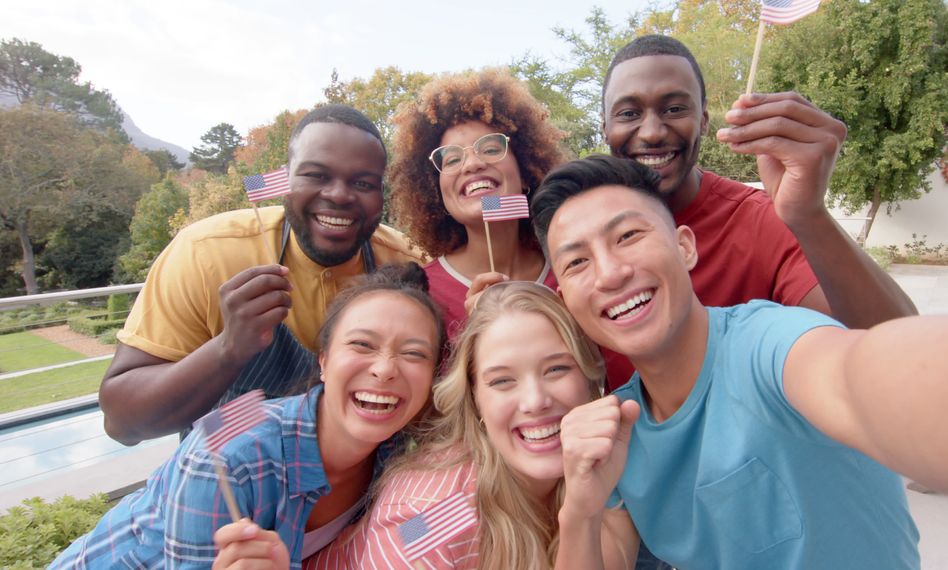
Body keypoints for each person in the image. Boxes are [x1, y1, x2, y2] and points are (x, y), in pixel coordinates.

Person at [529, 155, 948, 570]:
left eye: (628, 236)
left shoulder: (769, 345)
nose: (608, 273)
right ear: (565, 298)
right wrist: (579, 507)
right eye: (577, 262)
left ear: (686, 247)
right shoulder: (617, 432)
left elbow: (858, 380)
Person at [51, 264, 446, 569]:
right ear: (323, 361)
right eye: (362, 344)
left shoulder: (399, 459)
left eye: (414, 353)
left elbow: (386, 540)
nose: (385, 369)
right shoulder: (228, 459)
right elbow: (207, 444)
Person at [214, 282, 623, 570]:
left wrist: (581, 514)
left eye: (556, 369)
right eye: (502, 380)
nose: (535, 401)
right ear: (474, 398)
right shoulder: (432, 514)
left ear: (591, 379)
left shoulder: (614, 460)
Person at [598, 35, 916, 388]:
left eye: (674, 109)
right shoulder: (578, 240)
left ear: (703, 119)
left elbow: (893, 348)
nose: (653, 132)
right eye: (629, 113)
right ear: (605, 127)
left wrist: (809, 214)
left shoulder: (761, 219)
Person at [99, 105, 424, 445]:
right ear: (285, 180)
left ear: (381, 193)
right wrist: (228, 348)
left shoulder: (410, 265)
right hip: (234, 492)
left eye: (363, 182)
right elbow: (122, 423)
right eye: (316, 175)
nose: (339, 195)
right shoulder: (206, 253)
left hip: (372, 491)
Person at [387, 68, 566, 338]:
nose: (472, 164)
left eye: (491, 149)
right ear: (435, 191)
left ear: (526, 170)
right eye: (452, 159)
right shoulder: (420, 293)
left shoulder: (571, 271)